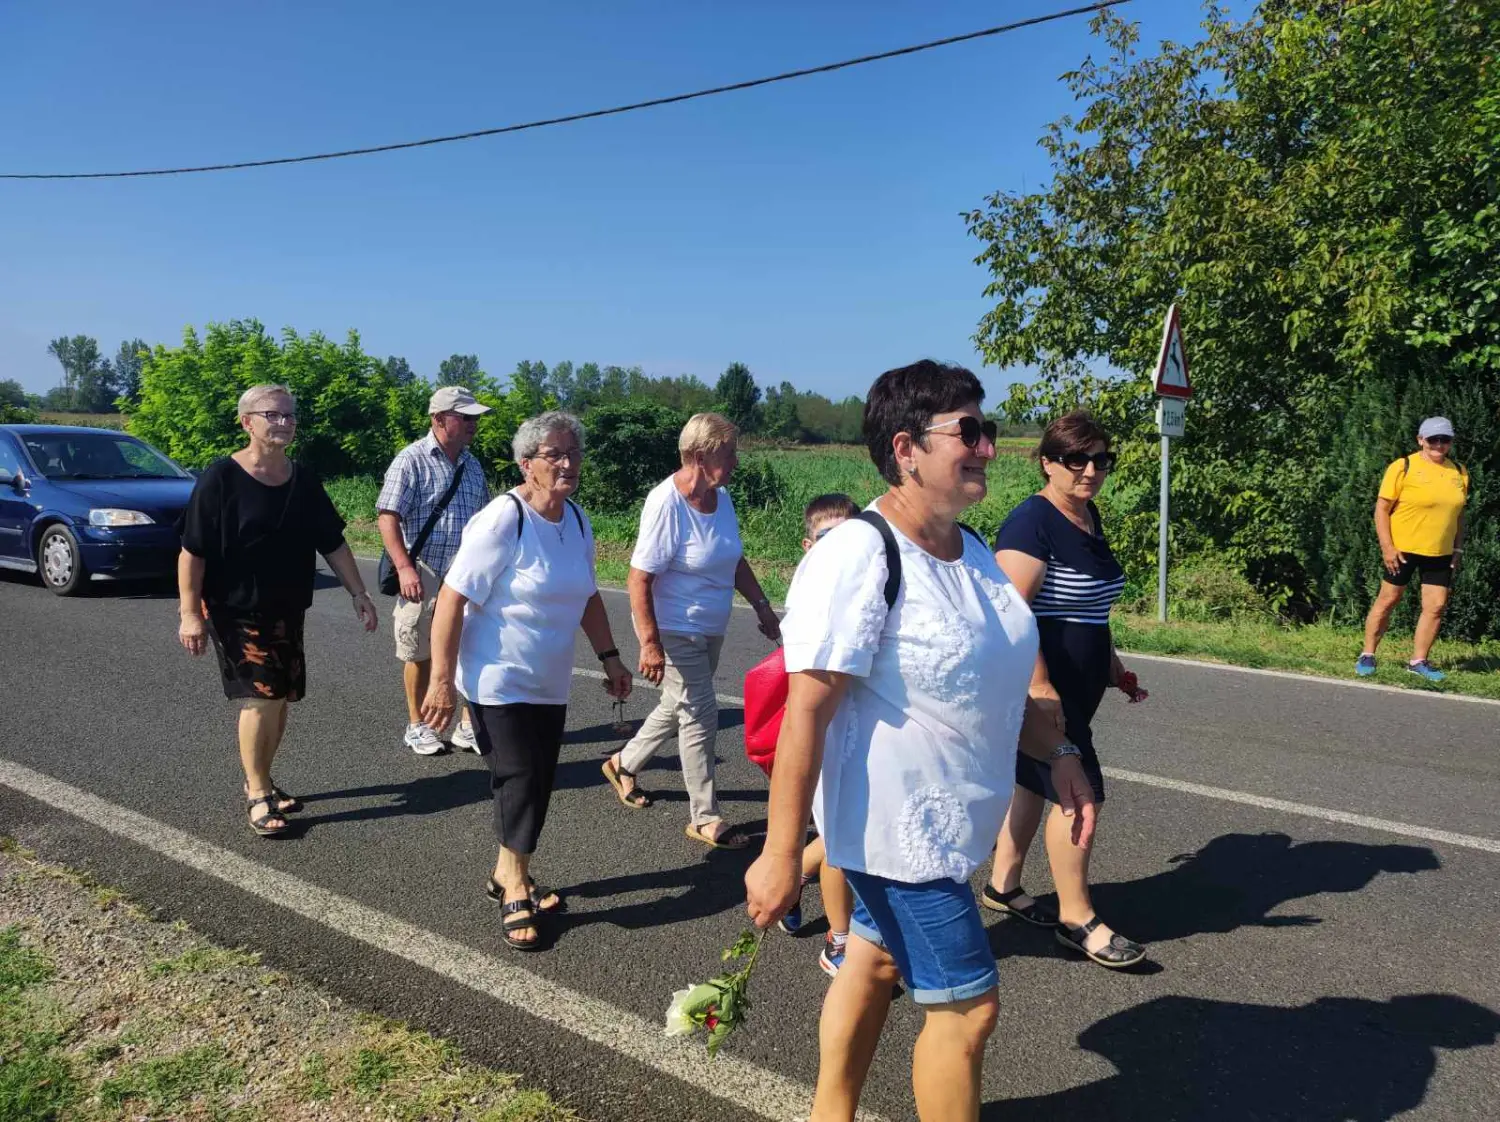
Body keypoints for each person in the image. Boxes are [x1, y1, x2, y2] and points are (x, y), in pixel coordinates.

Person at [745, 360, 1097, 1122]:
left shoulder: (971, 552)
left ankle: (827, 1115)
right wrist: (780, 854)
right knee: (967, 1011)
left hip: (954, 817)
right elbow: (806, 710)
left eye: (987, 429)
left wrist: (1058, 754)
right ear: (906, 448)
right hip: (901, 834)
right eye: (967, 431)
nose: (988, 447)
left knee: (870, 965)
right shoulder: (859, 555)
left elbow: (1000, 682)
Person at [419, 411, 631, 950]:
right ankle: (516, 883)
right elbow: (451, 600)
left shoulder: (577, 521)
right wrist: (441, 681)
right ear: (526, 463)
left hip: (549, 679)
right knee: (518, 777)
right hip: (496, 677)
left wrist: (609, 657)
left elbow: (586, 595)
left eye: (573, 454)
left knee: (536, 778)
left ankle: (501, 871)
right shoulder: (503, 519)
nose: (567, 464)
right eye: (554, 455)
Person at [982, 411, 1147, 969]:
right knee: (1082, 795)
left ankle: (1003, 884)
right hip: (1041, 693)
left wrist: (1113, 665)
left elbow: (1089, 609)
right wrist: (1040, 685)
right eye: (1077, 459)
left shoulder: (1087, 516)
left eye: (1101, 460)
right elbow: (1010, 616)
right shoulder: (1032, 523)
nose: (1091, 471)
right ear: (1048, 461)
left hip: (1080, 687)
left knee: (1035, 782)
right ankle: (1077, 918)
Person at [177, 384, 378, 838]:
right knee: (262, 696)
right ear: (247, 422)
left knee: (281, 698)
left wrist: (359, 594)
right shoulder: (220, 479)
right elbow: (192, 551)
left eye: (290, 414)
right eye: (274, 414)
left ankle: (263, 778)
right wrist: (190, 613)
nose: (285, 422)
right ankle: (256, 794)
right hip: (237, 609)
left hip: (289, 607)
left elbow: (333, 542)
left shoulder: (301, 478)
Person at [602, 412, 780, 850]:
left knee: (677, 703)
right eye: (730, 452)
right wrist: (649, 643)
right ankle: (705, 815)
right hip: (675, 629)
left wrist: (762, 606)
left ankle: (623, 764)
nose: (736, 460)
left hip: (711, 626)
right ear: (700, 455)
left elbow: (734, 559)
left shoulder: (723, 498)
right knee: (700, 713)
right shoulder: (666, 503)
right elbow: (638, 577)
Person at [761, 494, 860, 977]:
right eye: (828, 537)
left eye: (851, 535)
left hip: (864, 733)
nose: (841, 547)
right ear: (808, 545)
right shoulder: (813, 592)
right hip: (827, 732)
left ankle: (801, 871)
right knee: (843, 837)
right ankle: (839, 941)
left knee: (846, 829)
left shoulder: (869, 582)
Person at [377, 386, 493, 755]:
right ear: (440, 419)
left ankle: (465, 724)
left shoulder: (472, 465)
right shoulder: (410, 459)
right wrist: (405, 568)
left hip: (465, 573)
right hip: (423, 568)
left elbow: (487, 519)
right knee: (419, 650)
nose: (474, 423)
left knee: (466, 647)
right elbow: (387, 517)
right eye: (466, 416)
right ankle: (418, 724)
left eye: (475, 417)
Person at [1356, 417, 1470, 683]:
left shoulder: (1459, 472)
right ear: (1421, 440)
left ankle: (1418, 661)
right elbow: (1381, 509)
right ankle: (1367, 654)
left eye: (1445, 440)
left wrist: (1458, 548)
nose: (1439, 445)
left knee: (1436, 606)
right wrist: (1387, 547)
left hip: (1440, 552)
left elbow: (1460, 515)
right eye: (1433, 439)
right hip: (1403, 549)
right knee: (1388, 600)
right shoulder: (1403, 466)